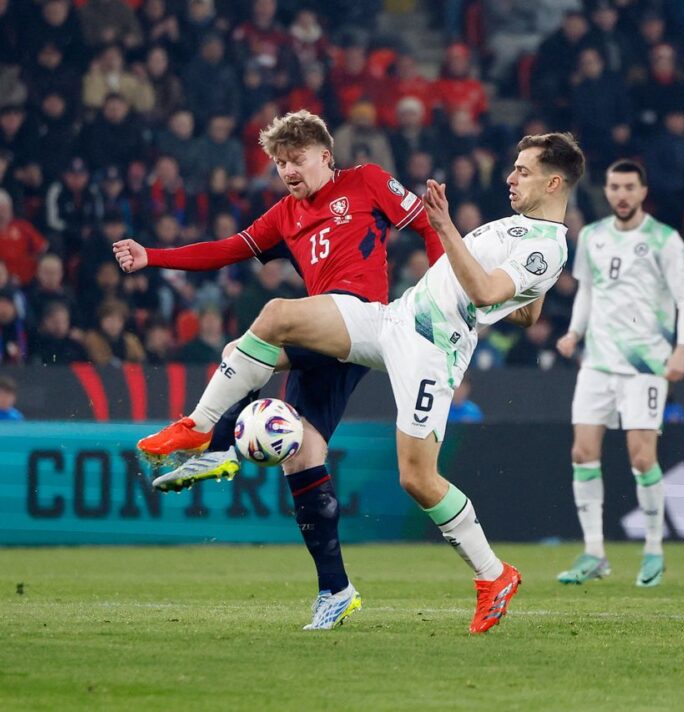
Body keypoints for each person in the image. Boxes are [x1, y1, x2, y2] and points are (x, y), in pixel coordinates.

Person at [129, 125, 584, 634]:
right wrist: (509, 288)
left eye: (523, 170)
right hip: (393, 320)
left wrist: (446, 228)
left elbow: (481, 294)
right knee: (270, 321)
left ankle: (493, 575)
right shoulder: (520, 230)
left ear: (553, 183)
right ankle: (204, 430)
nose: (510, 176)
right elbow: (523, 311)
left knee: (417, 478)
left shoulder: (547, 247)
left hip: (432, 350)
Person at [113, 110, 445, 630]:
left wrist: (440, 300)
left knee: (272, 317)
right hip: (325, 336)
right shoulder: (284, 215)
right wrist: (151, 256)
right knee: (301, 457)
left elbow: (428, 225)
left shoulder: (367, 181)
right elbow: (225, 251)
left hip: (367, 319)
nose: (288, 170)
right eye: (279, 163)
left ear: (325, 157)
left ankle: (205, 432)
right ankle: (336, 590)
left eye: (297, 159)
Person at [555, 159, 684, 587]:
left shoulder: (664, 240)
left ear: (642, 191)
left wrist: (682, 350)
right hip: (598, 361)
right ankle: (595, 552)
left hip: (645, 365)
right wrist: (573, 332)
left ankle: (653, 548)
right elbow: (587, 291)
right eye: (614, 187)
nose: (620, 194)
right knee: (582, 453)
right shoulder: (594, 237)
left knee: (642, 456)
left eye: (628, 187)